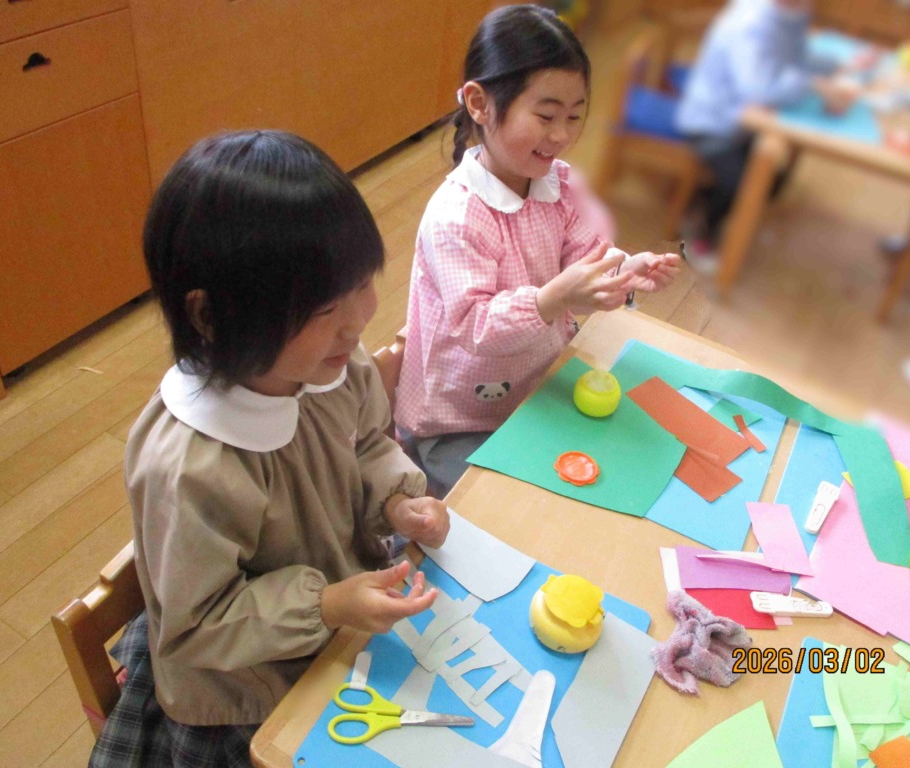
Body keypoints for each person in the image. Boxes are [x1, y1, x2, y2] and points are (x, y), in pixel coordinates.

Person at [90, 130, 450, 767]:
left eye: (362, 283)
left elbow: (368, 443)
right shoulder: (191, 467)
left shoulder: (331, 366)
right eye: (324, 306)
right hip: (246, 683)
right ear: (210, 317)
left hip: (338, 611)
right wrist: (325, 605)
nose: (358, 320)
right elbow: (200, 625)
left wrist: (397, 500)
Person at [394, 4, 682, 499]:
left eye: (574, 116)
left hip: (535, 388)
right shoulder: (457, 216)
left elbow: (586, 255)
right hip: (457, 419)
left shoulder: (558, 183)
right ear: (479, 104)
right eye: (546, 116)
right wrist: (552, 299)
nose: (562, 135)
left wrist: (624, 270)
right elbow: (475, 326)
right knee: (506, 513)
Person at [674, 0, 855, 271]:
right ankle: (700, 230)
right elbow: (758, 90)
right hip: (712, 121)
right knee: (742, 184)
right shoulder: (751, 23)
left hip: (743, 121)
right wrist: (814, 84)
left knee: (773, 181)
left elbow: (794, 56)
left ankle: (704, 202)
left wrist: (838, 67)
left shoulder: (791, 13)